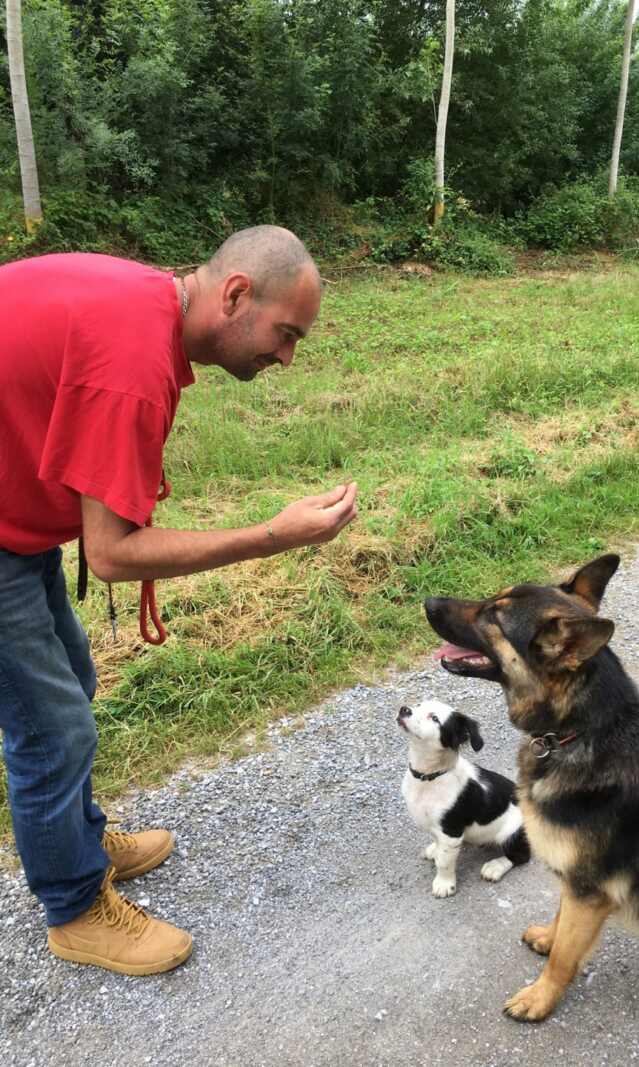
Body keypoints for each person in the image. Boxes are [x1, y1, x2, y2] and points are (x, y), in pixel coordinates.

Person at [0, 226, 358, 976]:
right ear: (235, 294)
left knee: (72, 675)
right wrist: (272, 534)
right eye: (286, 333)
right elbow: (112, 553)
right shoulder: (133, 363)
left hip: (14, 513)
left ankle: (81, 838)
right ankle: (74, 908)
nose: (287, 358)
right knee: (52, 725)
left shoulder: (145, 306)